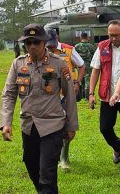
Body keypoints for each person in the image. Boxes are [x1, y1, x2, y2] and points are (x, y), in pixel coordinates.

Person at [0, 24, 78, 193]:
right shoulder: (18, 64)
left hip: (52, 126)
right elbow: (9, 94)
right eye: (28, 43)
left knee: (47, 173)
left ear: (44, 42)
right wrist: (6, 123)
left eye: (36, 42)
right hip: (28, 126)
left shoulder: (59, 63)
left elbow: (70, 95)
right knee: (31, 165)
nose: (32, 46)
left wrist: (72, 126)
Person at [88, 19, 120, 177]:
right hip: (108, 96)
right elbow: (96, 70)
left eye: (116, 35)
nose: (113, 38)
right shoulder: (102, 47)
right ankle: (118, 147)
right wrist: (91, 93)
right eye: (110, 35)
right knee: (105, 128)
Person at [45, 28, 85, 170]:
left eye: (52, 44)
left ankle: (64, 158)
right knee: (51, 125)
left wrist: (76, 83)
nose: (50, 47)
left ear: (58, 38)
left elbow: (81, 65)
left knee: (67, 126)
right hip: (49, 95)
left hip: (66, 93)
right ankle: (53, 156)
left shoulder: (68, 50)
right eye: (47, 44)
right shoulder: (42, 50)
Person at [75, 32, 97, 100]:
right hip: (89, 66)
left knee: (81, 80)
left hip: (80, 66)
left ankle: (81, 96)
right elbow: (95, 56)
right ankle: (88, 96)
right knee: (88, 80)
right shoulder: (91, 46)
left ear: (80, 38)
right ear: (87, 38)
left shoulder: (76, 46)